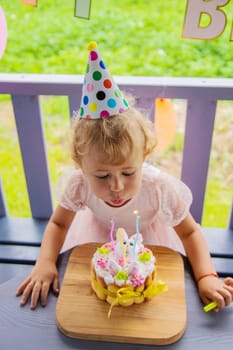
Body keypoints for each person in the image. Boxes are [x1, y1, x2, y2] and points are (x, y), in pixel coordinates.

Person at [16, 42, 233, 311]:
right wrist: (45, 262)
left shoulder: (159, 188)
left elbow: (190, 232)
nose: (117, 187)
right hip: (100, 239)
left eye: (129, 172)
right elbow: (59, 225)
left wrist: (206, 277)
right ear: (81, 167)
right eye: (102, 176)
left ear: (145, 156)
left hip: (153, 241)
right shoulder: (78, 184)